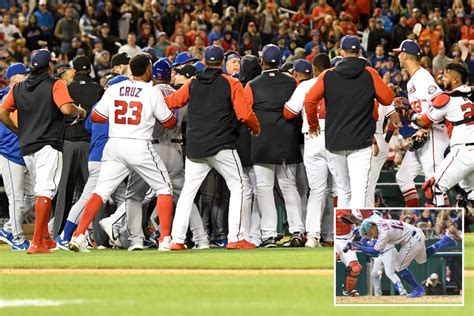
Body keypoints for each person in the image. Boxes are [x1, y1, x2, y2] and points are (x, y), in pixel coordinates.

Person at [68, 53, 177, 253]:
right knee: (164, 188)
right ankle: (165, 239)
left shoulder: (114, 89)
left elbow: (97, 117)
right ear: (147, 70)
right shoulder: (151, 91)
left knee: (100, 192)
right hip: (139, 144)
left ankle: (79, 235)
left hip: (115, 145)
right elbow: (169, 121)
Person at [100, 58, 209, 251]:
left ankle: (136, 240)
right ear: (168, 75)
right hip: (175, 149)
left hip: (151, 148)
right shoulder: (178, 93)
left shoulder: (148, 91)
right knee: (183, 197)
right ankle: (202, 240)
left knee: (134, 196)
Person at [164, 45, 260, 250]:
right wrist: (256, 128)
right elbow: (244, 114)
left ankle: (177, 240)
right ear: (221, 64)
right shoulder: (231, 82)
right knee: (240, 186)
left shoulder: (192, 82)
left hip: (196, 148)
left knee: (188, 192)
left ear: (205, 62)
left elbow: (172, 102)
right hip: (222, 146)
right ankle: (236, 237)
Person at [0, 49, 86, 254]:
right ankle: (37, 241)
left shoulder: (18, 87)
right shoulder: (55, 83)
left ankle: (45, 238)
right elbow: (66, 109)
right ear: (49, 66)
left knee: (42, 190)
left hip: (27, 146)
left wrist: (18, 131)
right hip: (48, 143)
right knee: (46, 190)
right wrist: (80, 111)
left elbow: (3, 112)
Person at [305, 35, 397, 208]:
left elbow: (309, 100)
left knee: (343, 191)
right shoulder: (369, 73)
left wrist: (313, 124)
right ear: (359, 52)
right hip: (361, 141)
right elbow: (387, 98)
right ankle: (355, 232)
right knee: (359, 191)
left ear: (341, 52)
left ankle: (342, 235)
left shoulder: (328, 75)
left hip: (335, 141)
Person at [245, 44, 303, 248]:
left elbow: (245, 114)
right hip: (287, 140)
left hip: (262, 141)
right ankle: (297, 231)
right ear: (279, 61)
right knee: (289, 187)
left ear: (262, 62)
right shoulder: (292, 83)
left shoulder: (251, 85)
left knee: (264, 189)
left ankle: (269, 234)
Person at [398, 63, 474, 206]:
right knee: (469, 196)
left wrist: (410, 114)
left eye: (446, 76)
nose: (442, 78)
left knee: (432, 188)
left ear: (455, 80)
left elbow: (423, 121)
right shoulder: (470, 94)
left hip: (462, 152)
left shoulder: (447, 98)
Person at [283, 55, 336, 248]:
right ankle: (333, 234)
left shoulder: (305, 86)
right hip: (335, 136)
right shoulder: (337, 82)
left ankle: (313, 236)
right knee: (339, 190)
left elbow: (288, 112)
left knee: (317, 190)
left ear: (314, 68)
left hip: (312, 137)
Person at [393, 40, 450, 207]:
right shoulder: (413, 80)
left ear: (404, 55)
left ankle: (443, 217)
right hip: (421, 135)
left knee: (434, 181)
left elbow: (441, 102)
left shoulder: (422, 76)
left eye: (399, 53)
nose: (398, 56)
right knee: (403, 176)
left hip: (432, 133)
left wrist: (426, 125)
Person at [52, 56, 104, 238]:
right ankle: (98, 236)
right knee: (94, 191)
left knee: (64, 190)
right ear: (89, 70)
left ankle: (58, 233)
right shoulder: (98, 89)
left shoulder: (67, 88)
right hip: (90, 144)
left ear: (74, 70)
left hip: (68, 143)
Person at [353, 217, 460, 298]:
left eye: (371, 233)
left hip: (411, 240)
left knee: (398, 267)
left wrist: (359, 247)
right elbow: (370, 221)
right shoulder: (377, 221)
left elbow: (375, 251)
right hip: (417, 233)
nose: (372, 236)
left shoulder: (383, 233)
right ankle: (445, 240)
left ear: (372, 226)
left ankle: (418, 289)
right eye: (369, 235)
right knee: (422, 259)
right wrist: (361, 231)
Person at [0, 63, 35, 251]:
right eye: (23, 74)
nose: (27, 76)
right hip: (9, 153)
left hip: (24, 153)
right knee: (16, 198)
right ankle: (18, 238)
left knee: (36, 194)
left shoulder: (23, 95)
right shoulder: (8, 97)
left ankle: (7, 229)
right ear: (13, 78)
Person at [335, 209, 363, 297]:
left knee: (356, 268)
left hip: (347, 241)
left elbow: (360, 222)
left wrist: (356, 220)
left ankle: (348, 290)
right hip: (333, 240)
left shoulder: (353, 208)